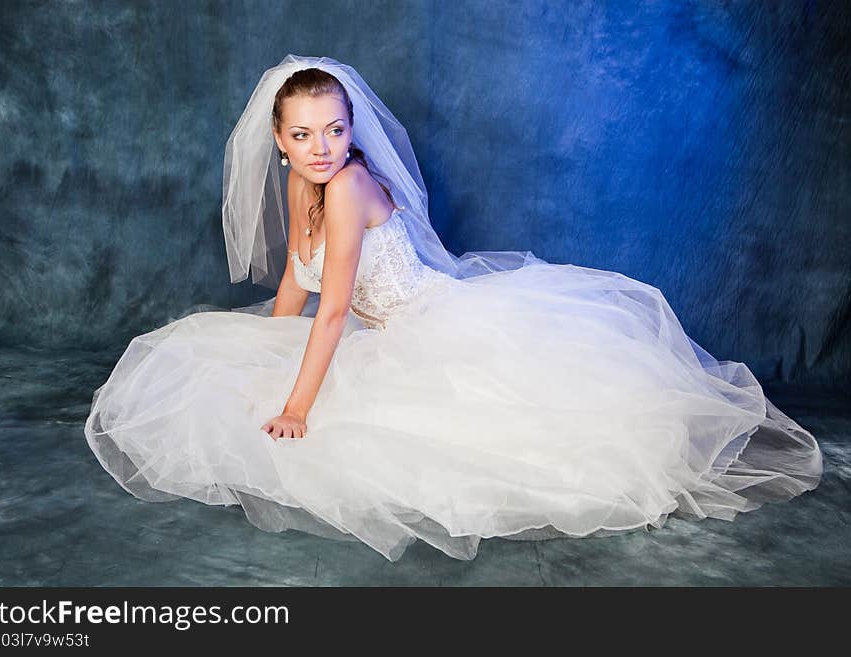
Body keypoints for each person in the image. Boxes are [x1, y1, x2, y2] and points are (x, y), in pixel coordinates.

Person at [84, 55, 823, 562]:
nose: (322, 147)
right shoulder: (301, 183)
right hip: (376, 331)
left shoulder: (346, 188)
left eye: (336, 130)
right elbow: (295, 284)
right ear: (279, 141)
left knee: (479, 443)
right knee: (222, 375)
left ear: (353, 129)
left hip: (430, 327)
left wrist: (297, 404)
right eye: (304, 135)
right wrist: (264, 352)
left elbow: (334, 310)